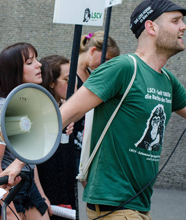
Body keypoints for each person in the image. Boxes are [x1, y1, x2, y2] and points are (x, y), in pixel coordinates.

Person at [60, 0, 186, 219]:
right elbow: (66, 114)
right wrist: (19, 162)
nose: (183, 26)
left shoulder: (168, 81)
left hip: (140, 205)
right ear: (151, 27)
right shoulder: (124, 67)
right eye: (175, 21)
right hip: (115, 206)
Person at [0, 42, 51, 220]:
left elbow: (30, 155)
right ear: (14, 71)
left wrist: (41, 193)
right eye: (30, 62)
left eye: (36, 59)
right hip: (6, 190)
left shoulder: (28, 102)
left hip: (27, 184)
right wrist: (7, 208)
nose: (39, 65)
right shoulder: (0, 109)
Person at [37, 55, 77, 219]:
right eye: (67, 79)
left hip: (66, 180)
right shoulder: (41, 109)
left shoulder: (64, 105)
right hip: (48, 180)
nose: (73, 84)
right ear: (52, 82)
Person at [74, 31, 120, 174]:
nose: (107, 65)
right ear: (93, 51)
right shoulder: (69, 73)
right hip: (70, 141)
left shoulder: (91, 75)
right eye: (106, 59)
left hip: (85, 141)